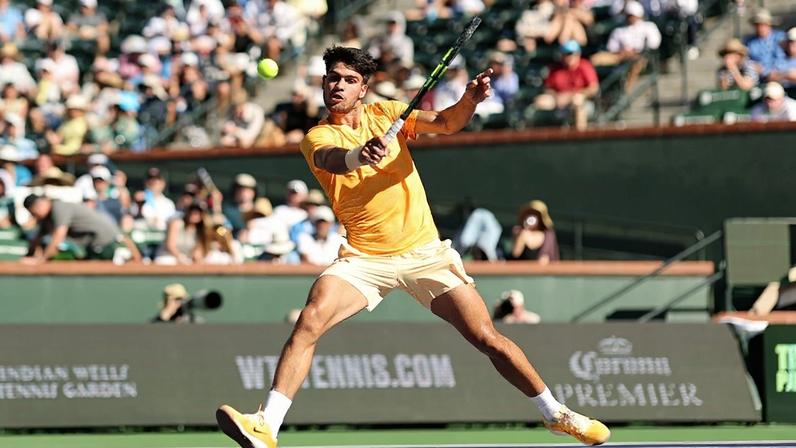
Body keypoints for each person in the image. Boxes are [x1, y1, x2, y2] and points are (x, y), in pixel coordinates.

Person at [215, 46, 609, 448]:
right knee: (310, 320)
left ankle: (557, 414)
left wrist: (469, 100)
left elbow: (446, 122)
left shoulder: (388, 114)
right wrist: (359, 154)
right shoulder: (319, 135)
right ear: (323, 83)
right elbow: (333, 159)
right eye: (333, 77)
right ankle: (267, 425)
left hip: (425, 253)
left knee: (487, 338)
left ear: (363, 89)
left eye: (349, 80)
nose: (338, 85)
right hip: (365, 259)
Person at [22, 194, 140, 263]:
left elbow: (58, 237)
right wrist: (28, 256)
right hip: (95, 246)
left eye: (34, 213)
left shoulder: (58, 207)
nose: (34, 217)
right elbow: (38, 238)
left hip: (108, 243)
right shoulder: (47, 218)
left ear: (40, 205)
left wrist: (40, 260)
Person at [590, 1, 661, 92]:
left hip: (640, 56)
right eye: (628, 15)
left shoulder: (648, 27)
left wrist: (634, 52)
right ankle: (597, 89)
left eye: (632, 15)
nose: (630, 17)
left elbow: (653, 44)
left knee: (636, 63)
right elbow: (611, 48)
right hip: (620, 55)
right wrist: (623, 52)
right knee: (595, 59)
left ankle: (625, 91)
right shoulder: (619, 29)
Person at [536, 40, 599, 130]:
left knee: (577, 100)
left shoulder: (584, 66)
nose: (569, 57)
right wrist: (556, 96)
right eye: (566, 54)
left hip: (582, 101)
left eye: (572, 54)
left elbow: (594, 88)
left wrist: (570, 96)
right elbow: (547, 88)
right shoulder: (555, 68)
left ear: (578, 54)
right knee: (541, 101)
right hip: (559, 101)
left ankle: (580, 136)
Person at [743, 9, 785, 77]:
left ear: (769, 24)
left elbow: (782, 60)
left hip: (777, 75)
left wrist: (764, 70)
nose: (760, 28)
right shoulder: (749, 41)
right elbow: (745, 58)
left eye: (763, 24)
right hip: (755, 76)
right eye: (757, 25)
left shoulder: (779, 38)